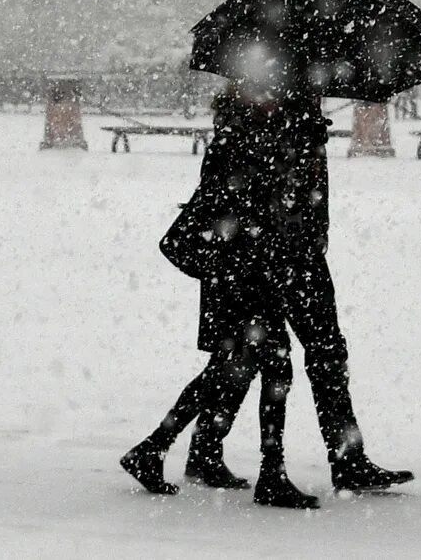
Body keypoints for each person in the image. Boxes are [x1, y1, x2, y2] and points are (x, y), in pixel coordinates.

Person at [124, 85, 308, 506]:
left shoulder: (242, 141)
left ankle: (155, 449)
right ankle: (270, 474)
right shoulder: (237, 147)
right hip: (244, 281)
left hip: (245, 279)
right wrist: (230, 269)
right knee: (274, 370)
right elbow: (209, 221)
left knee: (227, 373)